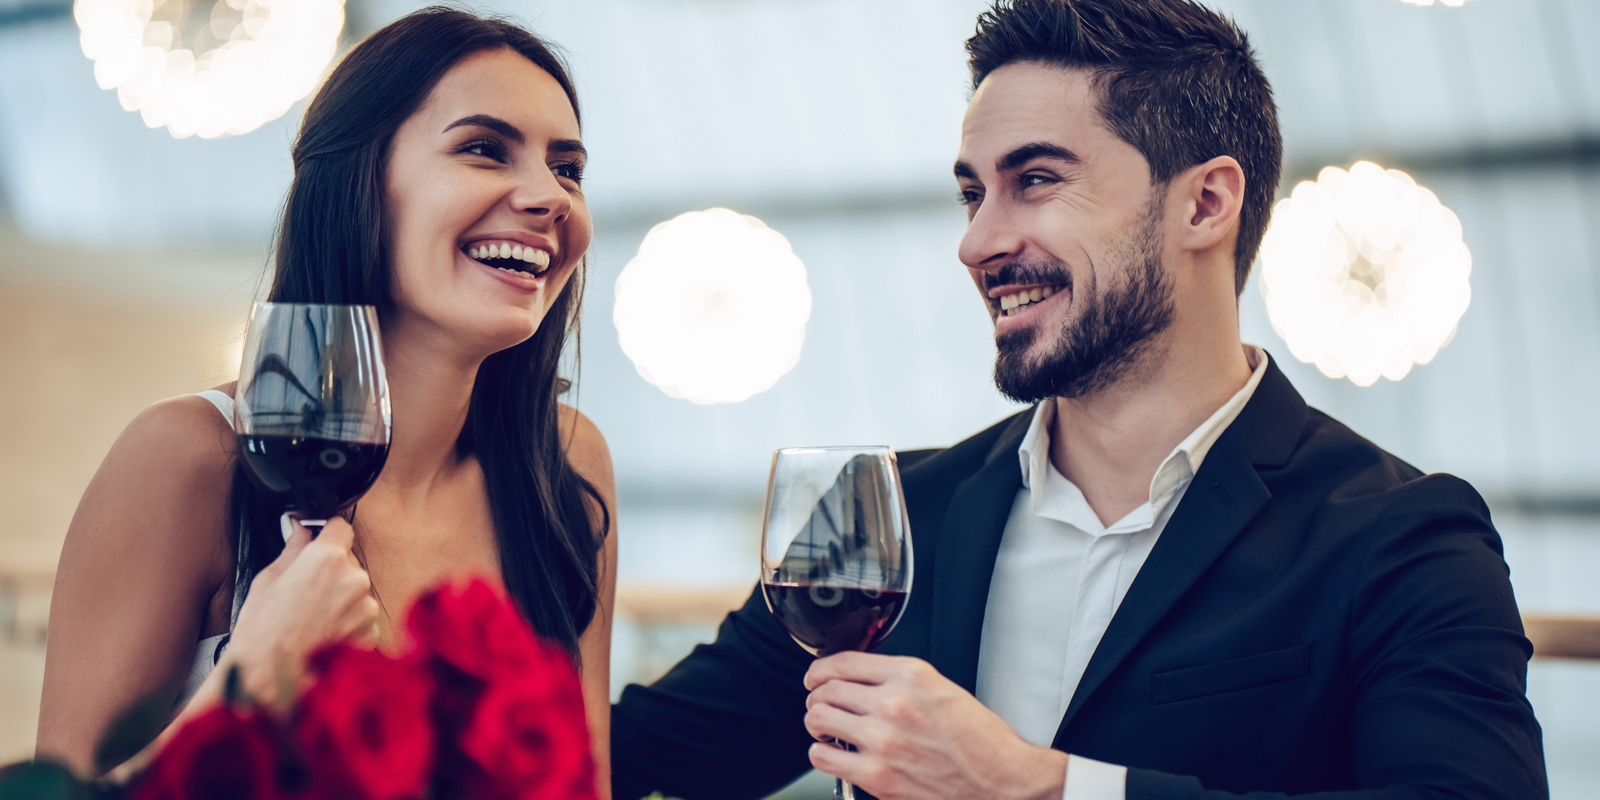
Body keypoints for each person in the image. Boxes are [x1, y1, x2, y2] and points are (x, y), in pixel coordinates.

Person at [610, 1, 1545, 798]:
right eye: (973, 194)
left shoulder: (1402, 537)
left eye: (1037, 180)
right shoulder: (887, 525)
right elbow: (616, 755)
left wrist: (1037, 785)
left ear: (1205, 204)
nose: (977, 241)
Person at [38, 8, 618, 794]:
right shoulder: (187, 458)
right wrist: (243, 682)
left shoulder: (568, 466)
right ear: (359, 181)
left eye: (568, 169)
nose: (548, 197)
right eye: (484, 149)